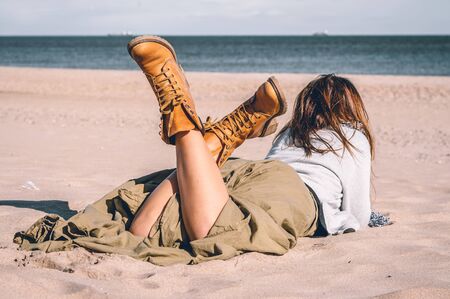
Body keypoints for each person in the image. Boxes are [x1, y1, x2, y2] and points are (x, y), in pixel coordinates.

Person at [14, 36, 374, 265]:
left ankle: (215, 143)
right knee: (215, 230)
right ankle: (179, 110)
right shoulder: (352, 135)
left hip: (244, 172)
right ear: (351, 109)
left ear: (308, 109)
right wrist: (356, 221)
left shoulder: (293, 133)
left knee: (143, 229)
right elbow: (357, 210)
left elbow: (265, 175)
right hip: (293, 190)